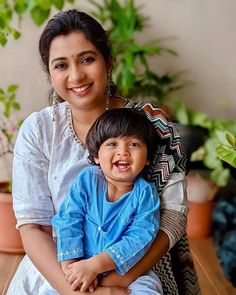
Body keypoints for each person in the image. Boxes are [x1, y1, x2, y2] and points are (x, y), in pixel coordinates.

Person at [7, 9, 199, 295]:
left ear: (108, 62)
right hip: (59, 265)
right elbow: (33, 227)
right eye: (61, 65)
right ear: (50, 73)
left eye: (87, 59)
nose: (76, 75)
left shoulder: (151, 126)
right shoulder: (39, 130)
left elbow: (171, 218)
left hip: (134, 267)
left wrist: (118, 281)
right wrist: (77, 290)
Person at [52, 108, 162, 294]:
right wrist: (71, 267)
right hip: (78, 262)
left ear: (148, 158)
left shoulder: (145, 194)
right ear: (96, 156)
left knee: (149, 289)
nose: (123, 152)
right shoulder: (88, 179)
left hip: (125, 270)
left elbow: (140, 237)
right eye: (112, 144)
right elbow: (69, 219)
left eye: (134, 144)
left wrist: (96, 265)